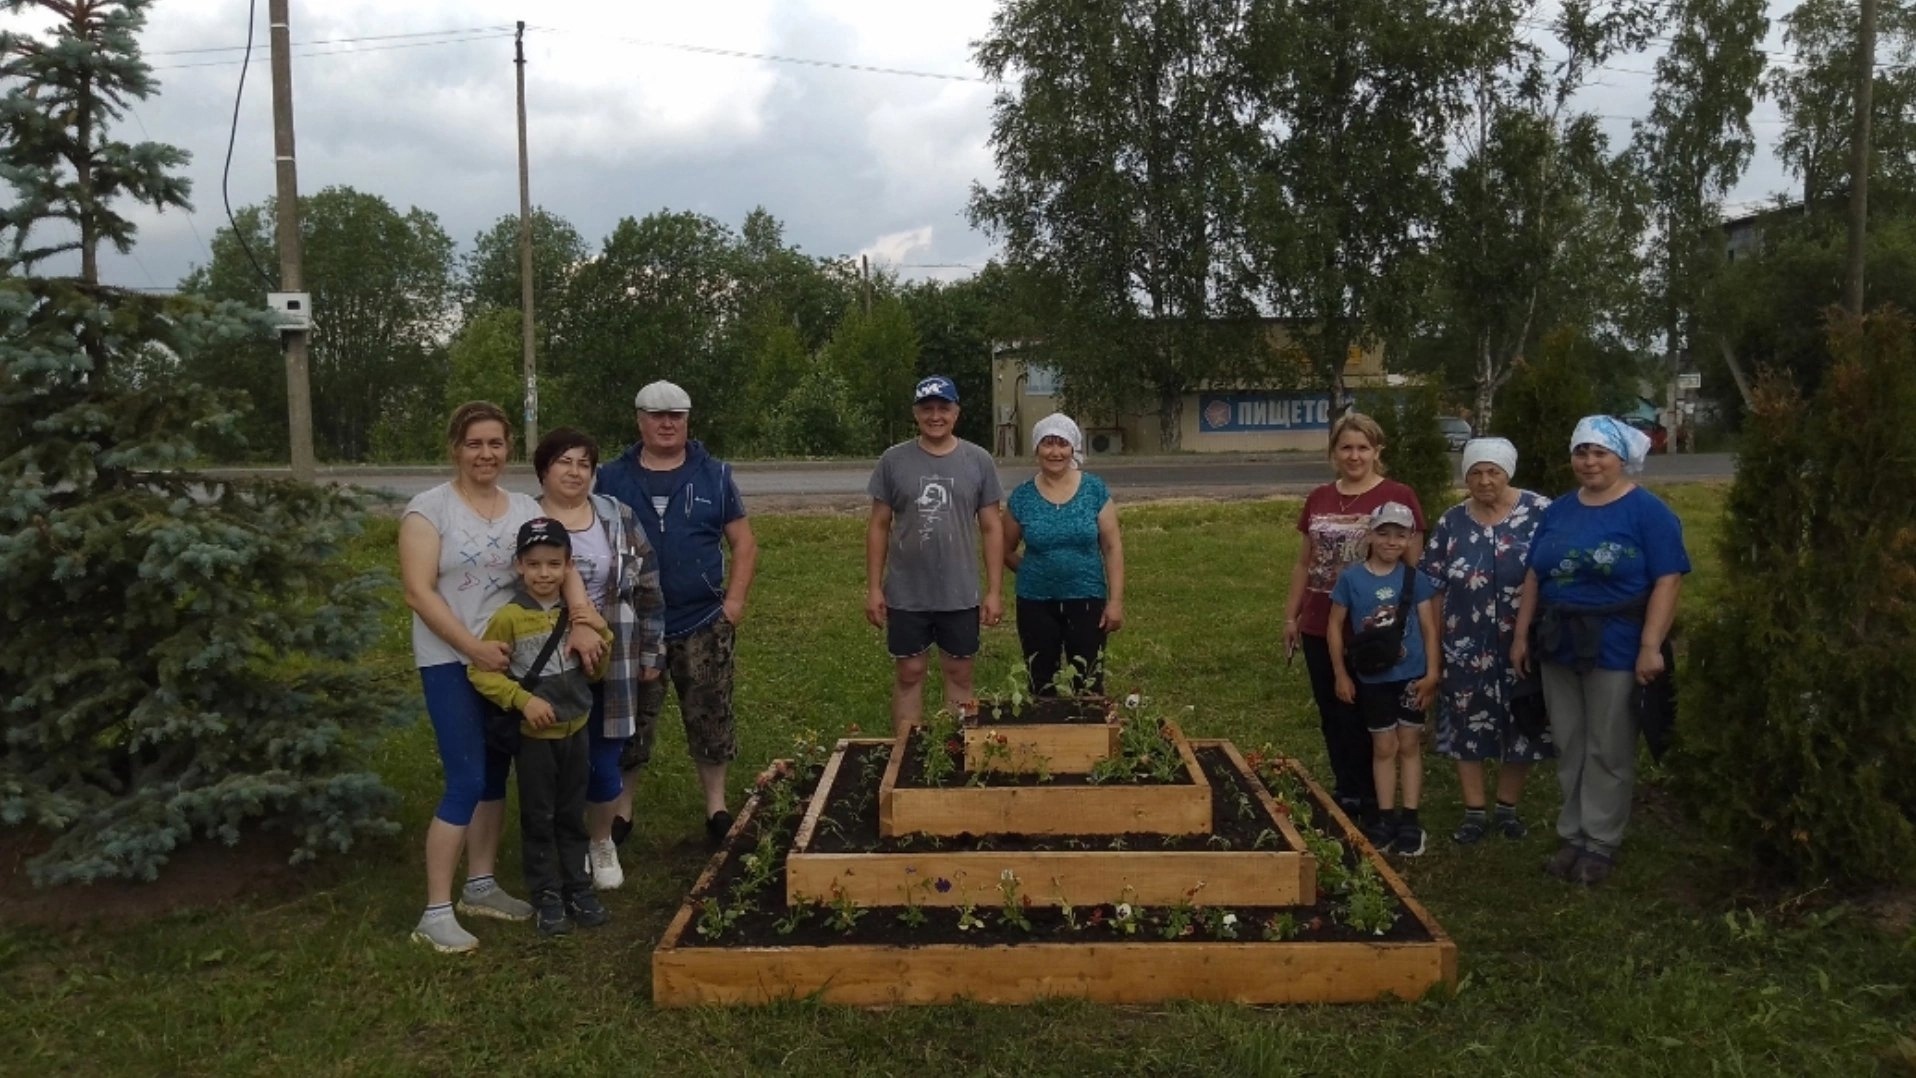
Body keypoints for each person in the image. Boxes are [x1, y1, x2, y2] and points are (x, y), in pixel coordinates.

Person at [398, 402, 604, 953]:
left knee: (494, 775)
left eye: (494, 443)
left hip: (512, 666)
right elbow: (418, 591)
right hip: (451, 661)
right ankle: (435, 911)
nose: (485, 454)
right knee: (465, 779)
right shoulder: (429, 510)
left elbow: (566, 571)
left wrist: (582, 624)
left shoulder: (519, 508)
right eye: (474, 444)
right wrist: (471, 648)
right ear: (455, 449)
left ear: (508, 447)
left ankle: (481, 884)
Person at [1513, 416, 1690, 887]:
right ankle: (1573, 835)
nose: (1589, 462)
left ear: (1621, 458)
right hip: (1559, 641)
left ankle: (1601, 843)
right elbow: (1535, 574)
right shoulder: (1559, 510)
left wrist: (1651, 645)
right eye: (1581, 452)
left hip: (1616, 642)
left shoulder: (1648, 512)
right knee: (1569, 741)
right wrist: (1521, 634)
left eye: (1599, 453)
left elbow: (1668, 579)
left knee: (1608, 745)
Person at [595, 381, 758, 848]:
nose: (667, 424)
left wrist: (734, 603)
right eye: (656, 414)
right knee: (628, 720)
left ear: (687, 420)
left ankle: (717, 807)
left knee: (711, 714)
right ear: (639, 419)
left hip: (702, 619)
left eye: (677, 416)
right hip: (632, 623)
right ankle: (621, 812)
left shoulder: (715, 474)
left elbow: (743, 543)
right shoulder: (611, 478)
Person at [468, 518, 615, 936]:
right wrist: (523, 700)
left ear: (568, 566)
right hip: (534, 740)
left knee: (571, 813)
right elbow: (482, 675)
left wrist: (600, 633)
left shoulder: (579, 616)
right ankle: (546, 894)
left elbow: (596, 668)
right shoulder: (508, 618)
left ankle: (578, 888)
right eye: (534, 565)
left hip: (576, 731)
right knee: (538, 816)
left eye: (554, 564)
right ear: (519, 566)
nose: (544, 574)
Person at [533, 428, 665, 891]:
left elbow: (648, 584)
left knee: (605, 758)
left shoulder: (617, 515)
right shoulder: (526, 520)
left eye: (584, 464)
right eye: (564, 462)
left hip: (616, 657)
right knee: (556, 761)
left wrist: (652, 648)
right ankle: (557, 845)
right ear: (544, 469)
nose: (574, 472)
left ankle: (601, 841)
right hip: (548, 663)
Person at [1281, 413, 1426, 822]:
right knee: (1334, 711)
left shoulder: (1399, 495)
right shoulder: (1319, 498)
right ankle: (1348, 791)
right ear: (1334, 453)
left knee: (1372, 711)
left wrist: (1412, 630)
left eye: (1363, 447)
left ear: (1377, 451)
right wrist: (1291, 616)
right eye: (1346, 447)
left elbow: (1414, 571)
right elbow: (1304, 563)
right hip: (1321, 623)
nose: (1354, 455)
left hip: (1375, 627)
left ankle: (1375, 796)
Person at [1420, 437, 1554, 845]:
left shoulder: (1540, 512)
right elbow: (1434, 587)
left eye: (1492, 471)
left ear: (1507, 472)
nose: (1484, 480)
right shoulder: (1451, 522)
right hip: (1465, 643)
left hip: (1523, 641)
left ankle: (1508, 808)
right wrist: (1437, 647)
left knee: (1522, 717)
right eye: (1475, 473)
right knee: (1465, 722)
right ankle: (1474, 811)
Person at [867, 374, 1005, 736]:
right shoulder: (893, 461)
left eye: (943, 408)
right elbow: (879, 525)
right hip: (907, 591)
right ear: (916, 413)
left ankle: (957, 751)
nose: (935, 416)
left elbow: (992, 527)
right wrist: (874, 588)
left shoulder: (978, 460)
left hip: (959, 591)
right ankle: (905, 754)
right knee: (910, 672)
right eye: (927, 408)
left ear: (956, 412)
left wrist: (993, 591)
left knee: (960, 673)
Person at [1327, 503, 1441, 856]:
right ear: (1371, 535)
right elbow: (1334, 626)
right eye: (1384, 533)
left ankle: (1410, 818)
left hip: (1411, 677)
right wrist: (1341, 674)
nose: (1391, 541)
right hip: (1373, 678)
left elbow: (1428, 627)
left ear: (1409, 539)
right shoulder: (1351, 578)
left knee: (1408, 744)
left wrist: (1433, 674)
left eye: (1400, 535)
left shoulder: (1414, 579)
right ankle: (1384, 816)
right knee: (1383, 747)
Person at [1003, 413, 1125, 697]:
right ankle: (1046, 738)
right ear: (1036, 448)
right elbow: (1004, 549)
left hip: (1086, 600)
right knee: (1040, 681)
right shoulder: (1022, 497)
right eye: (1047, 444)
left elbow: (1112, 546)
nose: (1055, 452)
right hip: (1035, 603)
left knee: (1088, 681)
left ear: (1073, 449)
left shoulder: (1094, 490)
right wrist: (1034, 571)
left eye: (1062, 444)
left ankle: (1088, 738)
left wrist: (1116, 602)